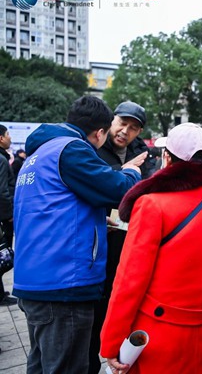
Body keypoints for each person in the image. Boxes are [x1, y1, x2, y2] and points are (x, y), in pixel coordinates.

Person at [100, 123, 202, 374]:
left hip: (158, 331)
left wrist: (111, 341)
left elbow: (129, 280)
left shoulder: (151, 204)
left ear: (167, 157)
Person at [12, 96, 143, 374]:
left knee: (41, 364)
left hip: (36, 280)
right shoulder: (72, 149)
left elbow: (54, 206)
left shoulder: (39, 154)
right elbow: (117, 188)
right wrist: (131, 172)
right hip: (63, 286)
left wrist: (94, 219)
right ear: (100, 133)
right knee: (68, 367)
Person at [89, 101, 150, 374]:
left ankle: (120, 353)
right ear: (111, 121)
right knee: (97, 309)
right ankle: (96, 355)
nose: (125, 131)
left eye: (133, 128)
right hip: (99, 240)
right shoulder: (94, 150)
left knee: (125, 297)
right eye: (122, 123)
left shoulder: (144, 155)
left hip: (132, 238)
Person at [0, 125, 16, 305]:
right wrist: (9, 214)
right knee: (3, 254)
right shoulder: (2, 160)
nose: (9, 138)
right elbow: (2, 190)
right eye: (7, 134)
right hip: (3, 217)